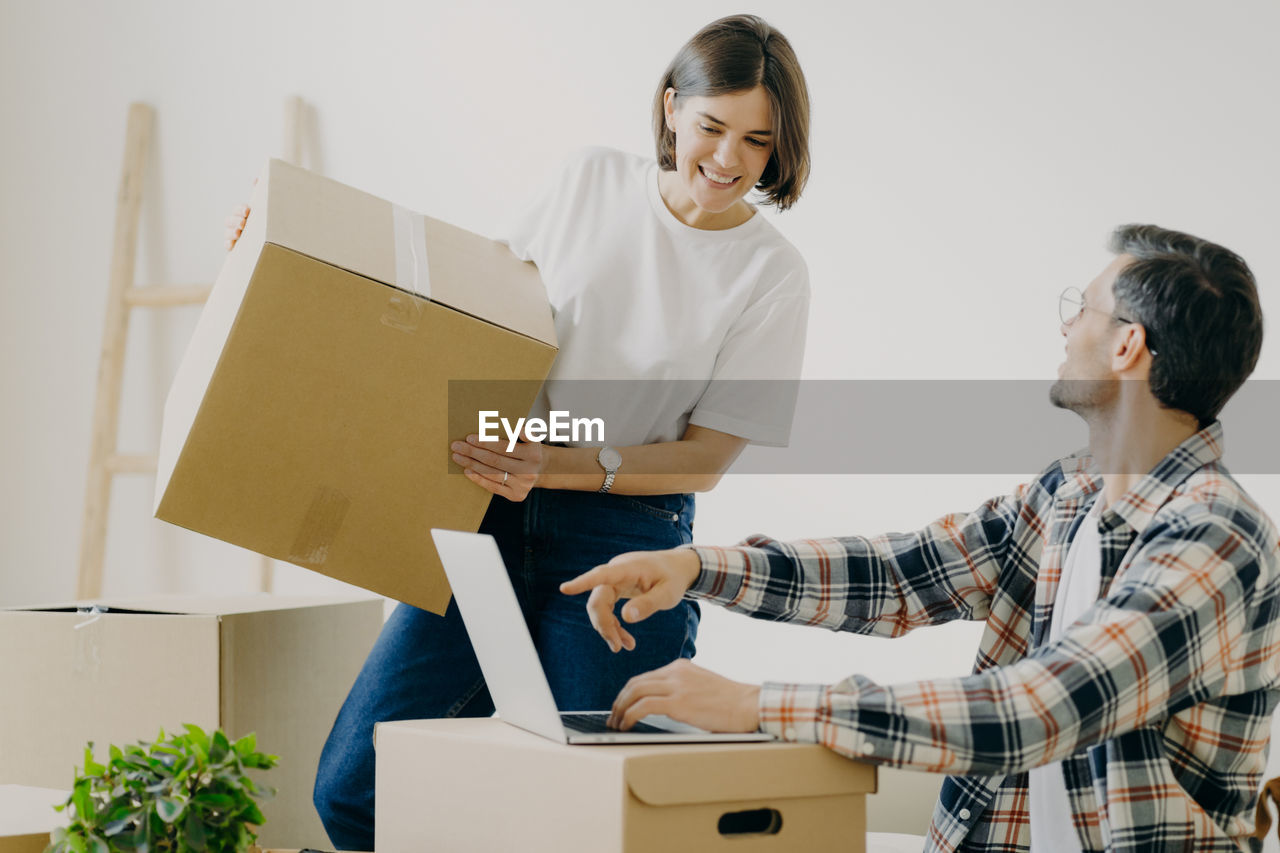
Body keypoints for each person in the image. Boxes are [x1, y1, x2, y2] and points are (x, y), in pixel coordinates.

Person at [223, 15, 813, 848]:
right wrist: (275, 253)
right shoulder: (590, 182)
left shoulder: (771, 274)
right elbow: (464, 305)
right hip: (486, 517)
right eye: (713, 128)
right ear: (672, 107)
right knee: (355, 788)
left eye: (756, 142)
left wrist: (556, 465)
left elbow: (705, 458)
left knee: (591, 820)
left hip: (624, 543)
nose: (727, 161)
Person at [563, 224, 1279, 852]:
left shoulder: (1214, 538)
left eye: (1081, 308)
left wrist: (754, 704)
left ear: (1128, 344)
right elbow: (900, 573)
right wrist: (694, 566)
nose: (1065, 329)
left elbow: (1036, 710)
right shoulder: (1069, 494)